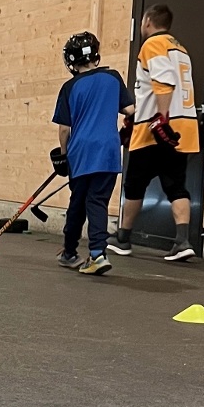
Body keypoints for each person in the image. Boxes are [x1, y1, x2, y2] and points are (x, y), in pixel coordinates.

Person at [109, 4, 202, 262]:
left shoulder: (153, 44)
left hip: (156, 130)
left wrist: (160, 120)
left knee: (135, 184)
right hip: (182, 128)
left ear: (148, 20)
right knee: (176, 185)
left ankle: (123, 238)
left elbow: (164, 82)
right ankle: (183, 241)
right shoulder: (180, 49)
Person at [51, 31, 134, 276]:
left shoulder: (70, 87)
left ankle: (81, 253)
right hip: (108, 152)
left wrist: (64, 155)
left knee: (78, 203)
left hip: (81, 152)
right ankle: (90, 252)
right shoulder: (113, 77)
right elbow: (130, 109)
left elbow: (65, 128)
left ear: (72, 61)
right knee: (97, 201)